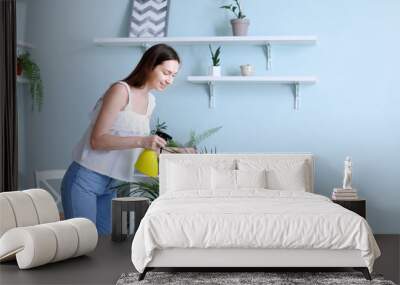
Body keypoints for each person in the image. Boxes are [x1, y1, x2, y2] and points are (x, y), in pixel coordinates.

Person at [61, 44, 180, 235]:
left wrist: (176, 152)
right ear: (150, 65)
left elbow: (139, 147)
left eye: (174, 75)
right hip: (85, 179)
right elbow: (97, 140)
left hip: (112, 184)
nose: (170, 80)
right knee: (82, 243)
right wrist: (143, 140)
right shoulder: (120, 91)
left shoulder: (151, 102)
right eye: (166, 72)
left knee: (104, 249)